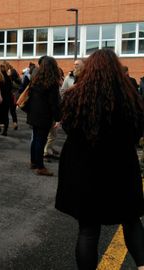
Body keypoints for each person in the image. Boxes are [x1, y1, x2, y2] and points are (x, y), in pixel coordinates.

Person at [56, 49, 144, 270]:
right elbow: (137, 131)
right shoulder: (130, 96)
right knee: (132, 223)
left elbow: (68, 128)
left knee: (88, 229)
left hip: (85, 171)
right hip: (121, 170)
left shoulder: (76, 96)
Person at [26, 56, 61, 176]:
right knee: (41, 140)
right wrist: (58, 118)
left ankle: (33, 162)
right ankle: (40, 167)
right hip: (44, 115)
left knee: (35, 138)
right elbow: (54, 103)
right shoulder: (52, 83)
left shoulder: (35, 79)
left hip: (33, 113)